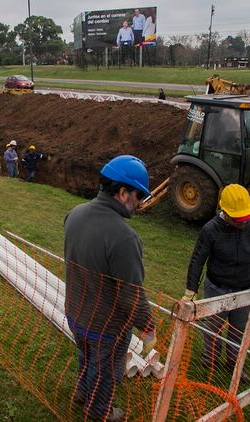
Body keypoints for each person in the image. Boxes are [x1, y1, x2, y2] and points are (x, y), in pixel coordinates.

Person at [64, 155, 157, 422]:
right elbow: (131, 295)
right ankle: (100, 411)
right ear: (122, 192)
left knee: (86, 356)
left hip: (75, 313)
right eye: (138, 196)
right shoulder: (124, 237)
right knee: (104, 371)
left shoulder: (75, 214)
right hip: (105, 326)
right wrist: (148, 326)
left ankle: (82, 392)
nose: (139, 203)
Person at [182, 184, 250, 372]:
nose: (243, 223)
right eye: (238, 219)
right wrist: (191, 290)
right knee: (212, 328)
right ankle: (210, 359)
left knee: (238, 330)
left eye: (245, 218)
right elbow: (198, 259)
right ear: (225, 211)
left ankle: (234, 362)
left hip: (246, 290)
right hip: (217, 287)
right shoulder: (210, 230)